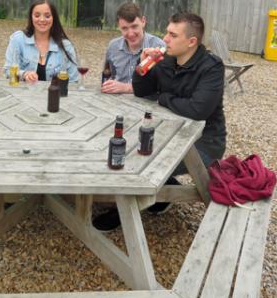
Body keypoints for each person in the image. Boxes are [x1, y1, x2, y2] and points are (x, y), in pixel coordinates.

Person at [92, 12, 226, 231]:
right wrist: (142, 62)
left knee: (135, 160)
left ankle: (123, 211)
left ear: (191, 42)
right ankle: (163, 194)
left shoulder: (211, 67)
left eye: (173, 35)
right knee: (120, 146)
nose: (165, 38)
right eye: (166, 32)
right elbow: (142, 90)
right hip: (166, 132)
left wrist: (163, 98)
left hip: (202, 142)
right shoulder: (165, 60)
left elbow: (197, 110)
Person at [4, 0, 79, 83]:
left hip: (55, 95)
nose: (42, 20)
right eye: (37, 15)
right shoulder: (17, 40)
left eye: (47, 16)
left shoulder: (66, 46)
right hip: (22, 94)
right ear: (31, 17)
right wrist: (24, 74)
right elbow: (8, 72)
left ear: (53, 18)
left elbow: (74, 81)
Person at [100, 2, 164, 94]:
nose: (130, 33)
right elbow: (109, 76)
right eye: (125, 28)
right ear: (119, 26)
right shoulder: (113, 46)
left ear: (143, 21)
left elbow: (161, 87)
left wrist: (126, 88)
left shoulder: (159, 47)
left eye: (134, 26)